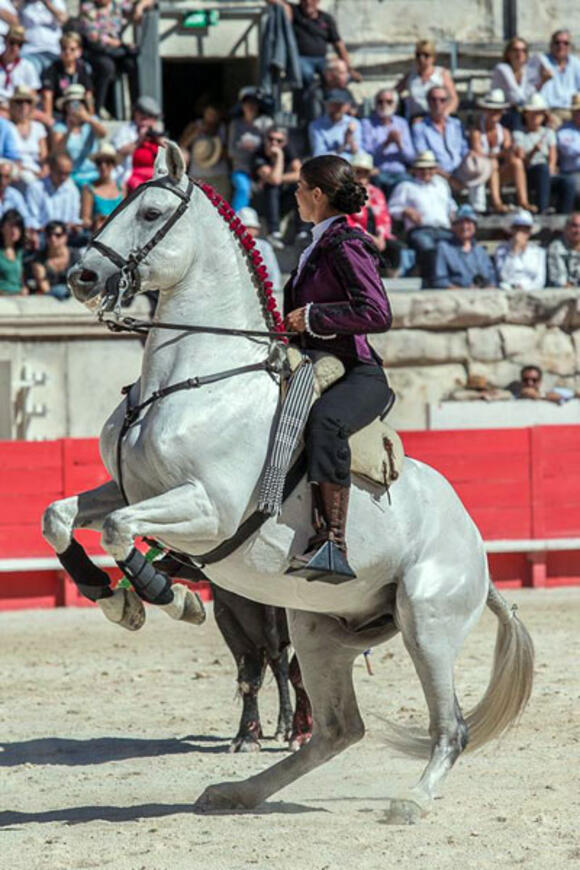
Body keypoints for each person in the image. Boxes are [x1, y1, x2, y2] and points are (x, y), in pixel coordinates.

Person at [283, 154, 392, 581]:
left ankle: (332, 542)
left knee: (326, 421)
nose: (293, 195)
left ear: (316, 194)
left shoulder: (346, 243)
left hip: (358, 372)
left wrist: (313, 317)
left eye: (298, 187)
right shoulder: (317, 243)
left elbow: (377, 312)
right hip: (318, 362)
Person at [388, 150, 456, 286]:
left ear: (435, 169)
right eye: (422, 169)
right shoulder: (406, 186)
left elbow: (451, 204)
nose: (426, 172)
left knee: (453, 247)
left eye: (430, 168)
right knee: (428, 247)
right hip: (420, 229)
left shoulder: (442, 184)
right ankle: (436, 282)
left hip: (444, 228)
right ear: (415, 170)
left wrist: (453, 213)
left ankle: (450, 281)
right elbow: (391, 209)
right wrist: (405, 211)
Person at [79, 0, 155, 114]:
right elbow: (93, 36)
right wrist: (118, 43)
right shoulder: (88, 7)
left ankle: (138, 109)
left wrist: (139, 7)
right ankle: (97, 109)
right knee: (106, 67)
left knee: (132, 64)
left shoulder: (117, 4)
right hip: (96, 50)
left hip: (115, 49)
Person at [266, 0, 361, 88]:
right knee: (305, 74)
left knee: (339, 75)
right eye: (305, 0)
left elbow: (339, 45)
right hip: (301, 58)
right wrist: (285, 8)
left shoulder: (326, 19)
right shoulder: (295, 12)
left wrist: (349, 68)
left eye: (311, 0)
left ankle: (332, 101)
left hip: (322, 60)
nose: (308, 3)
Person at [470, 88, 533, 213]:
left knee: (517, 163)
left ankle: (523, 201)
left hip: (498, 172)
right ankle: (496, 202)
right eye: (491, 111)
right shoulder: (476, 131)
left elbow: (507, 152)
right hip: (481, 173)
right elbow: (479, 155)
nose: (494, 114)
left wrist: (513, 150)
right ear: (485, 111)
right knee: (492, 164)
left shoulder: (504, 132)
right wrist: (502, 153)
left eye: (497, 111)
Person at [345, 150, 407, 276]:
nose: (361, 175)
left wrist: (381, 237)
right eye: (358, 172)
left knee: (395, 247)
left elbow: (385, 217)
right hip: (355, 233)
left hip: (377, 235)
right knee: (359, 245)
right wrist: (370, 237)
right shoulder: (345, 193)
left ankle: (390, 278)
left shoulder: (376, 192)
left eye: (365, 172)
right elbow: (346, 219)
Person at [513, 92, 576, 213]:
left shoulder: (548, 133)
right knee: (542, 169)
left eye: (539, 113)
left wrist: (551, 168)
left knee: (568, 182)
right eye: (532, 113)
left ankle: (564, 215)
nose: (536, 116)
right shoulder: (519, 134)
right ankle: (543, 209)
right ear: (526, 114)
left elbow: (553, 156)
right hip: (529, 173)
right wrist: (532, 152)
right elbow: (522, 161)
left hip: (545, 172)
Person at [253, 125, 301, 249]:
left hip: (282, 201)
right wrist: (279, 156)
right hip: (261, 202)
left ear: (284, 142)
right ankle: (273, 232)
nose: (274, 143)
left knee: (300, 187)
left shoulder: (288, 149)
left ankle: (302, 232)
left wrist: (281, 178)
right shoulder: (259, 154)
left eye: (279, 141)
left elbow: (301, 174)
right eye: (271, 139)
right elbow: (274, 180)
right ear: (265, 139)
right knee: (271, 187)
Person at [361, 88, 415, 196]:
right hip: (378, 171)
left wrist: (399, 145)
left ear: (395, 105)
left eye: (389, 101)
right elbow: (366, 155)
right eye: (380, 102)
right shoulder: (367, 123)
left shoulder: (402, 123)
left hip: (400, 172)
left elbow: (411, 158)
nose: (384, 105)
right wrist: (386, 143)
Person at [52, 84, 106, 189]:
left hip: (94, 173)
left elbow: (103, 134)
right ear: (65, 107)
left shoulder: (92, 121)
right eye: (71, 103)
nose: (75, 107)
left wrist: (89, 119)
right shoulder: (59, 126)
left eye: (78, 103)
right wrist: (69, 130)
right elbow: (57, 150)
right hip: (71, 176)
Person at [228, 87, 272, 212]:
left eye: (254, 103)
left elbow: (270, 148)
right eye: (247, 103)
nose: (250, 107)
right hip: (241, 169)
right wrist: (253, 151)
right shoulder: (235, 124)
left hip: (261, 170)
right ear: (242, 106)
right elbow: (232, 151)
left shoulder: (266, 123)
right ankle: (236, 221)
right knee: (243, 189)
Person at [412, 86, 469, 181]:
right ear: (428, 102)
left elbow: (464, 150)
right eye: (433, 100)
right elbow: (424, 157)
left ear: (447, 103)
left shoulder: (456, 124)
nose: (437, 103)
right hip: (436, 173)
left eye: (442, 100)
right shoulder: (419, 128)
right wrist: (449, 178)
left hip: (460, 170)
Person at [432, 204, 496, 289]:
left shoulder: (480, 251)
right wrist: (463, 291)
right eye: (460, 223)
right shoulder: (444, 248)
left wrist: (489, 287)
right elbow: (440, 281)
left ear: (474, 226)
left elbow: (492, 277)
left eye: (469, 222)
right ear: (454, 227)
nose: (465, 227)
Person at [395, 39, 458, 120]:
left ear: (433, 57)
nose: (421, 59)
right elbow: (394, 93)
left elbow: (453, 99)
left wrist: (445, 113)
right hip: (416, 117)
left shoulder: (441, 74)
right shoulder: (410, 76)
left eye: (426, 55)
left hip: (438, 116)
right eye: (418, 55)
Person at [41, 31, 94, 123]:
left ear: (79, 52)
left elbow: (88, 95)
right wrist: (49, 120)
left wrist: (91, 116)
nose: (67, 52)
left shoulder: (82, 69)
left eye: (72, 49)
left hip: (79, 112)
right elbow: (47, 96)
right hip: (59, 114)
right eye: (64, 49)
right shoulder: (52, 69)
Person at [490, 36, 545, 125]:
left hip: (520, 112)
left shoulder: (526, 71)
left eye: (523, 50)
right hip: (503, 113)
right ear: (508, 53)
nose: (520, 53)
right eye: (515, 50)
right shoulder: (502, 69)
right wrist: (541, 82)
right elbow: (516, 97)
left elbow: (529, 96)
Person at [179, 103, 229, 199]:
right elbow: (182, 145)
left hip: (219, 176)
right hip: (198, 175)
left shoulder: (224, 128)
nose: (212, 117)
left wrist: (215, 148)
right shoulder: (195, 126)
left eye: (214, 115)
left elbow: (229, 152)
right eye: (209, 114)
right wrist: (194, 133)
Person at [110, 95, 162, 185]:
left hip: (155, 176)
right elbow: (119, 154)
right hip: (131, 176)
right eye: (142, 115)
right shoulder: (125, 130)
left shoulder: (156, 132)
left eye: (150, 117)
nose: (145, 119)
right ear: (135, 113)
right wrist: (139, 140)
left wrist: (158, 139)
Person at [26, 153, 81, 234]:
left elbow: (74, 218)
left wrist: (76, 226)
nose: (63, 177)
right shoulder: (36, 188)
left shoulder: (73, 190)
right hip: (43, 236)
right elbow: (32, 219)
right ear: (51, 168)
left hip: (65, 236)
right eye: (60, 173)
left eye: (67, 173)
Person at [494, 209, 546, 290]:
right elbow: (503, 276)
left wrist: (525, 288)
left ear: (529, 232)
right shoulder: (501, 251)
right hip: (508, 290)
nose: (520, 232)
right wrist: (514, 252)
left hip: (531, 291)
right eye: (517, 229)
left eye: (525, 229)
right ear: (512, 230)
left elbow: (540, 280)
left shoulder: (539, 252)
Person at [28, 218, 78, 299]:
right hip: (49, 300)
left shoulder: (75, 255)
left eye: (58, 235)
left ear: (65, 236)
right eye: (49, 235)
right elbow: (45, 289)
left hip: (74, 298)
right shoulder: (39, 259)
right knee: (59, 291)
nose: (53, 238)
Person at [236, 206, 282, 293]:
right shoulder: (233, 245)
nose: (248, 231)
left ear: (257, 230)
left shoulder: (264, 246)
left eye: (251, 227)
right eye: (245, 227)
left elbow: (272, 270)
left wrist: (273, 288)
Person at [9, 85, 47, 187]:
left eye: (27, 102)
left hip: (37, 170)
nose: (23, 106)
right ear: (12, 106)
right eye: (19, 102)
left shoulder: (38, 127)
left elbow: (44, 156)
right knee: (28, 180)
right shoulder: (7, 127)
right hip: (17, 169)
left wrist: (45, 169)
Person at [308, 88, 361, 159]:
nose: (337, 108)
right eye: (333, 104)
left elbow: (358, 153)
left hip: (352, 166)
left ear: (347, 106)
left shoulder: (354, 123)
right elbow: (318, 155)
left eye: (340, 105)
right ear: (326, 104)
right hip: (329, 167)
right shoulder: (316, 126)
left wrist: (350, 138)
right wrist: (343, 145)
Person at [80, 142, 124, 229]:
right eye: (99, 163)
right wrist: (96, 220)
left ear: (113, 165)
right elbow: (85, 219)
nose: (103, 166)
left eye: (107, 162)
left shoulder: (122, 187)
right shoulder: (88, 189)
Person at [19, 0, 68, 75]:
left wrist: (47, 3)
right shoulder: (25, 4)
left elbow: (63, 18)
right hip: (30, 51)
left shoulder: (55, 1)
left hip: (53, 50)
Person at [538, 29, 580, 109]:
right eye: (557, 43)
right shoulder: (542, 62)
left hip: (572, 110)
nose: (561, 46)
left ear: (570, 46)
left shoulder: (576, 63)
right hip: (548, 110)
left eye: (565, 43)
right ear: (551, 45)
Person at [0, 24, 41, 100]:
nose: (15, 47)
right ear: (5, 41)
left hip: (18, 106)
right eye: (12, 42)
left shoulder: (27, 66)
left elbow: (33, 92)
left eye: (19, 44)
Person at [557, 93, 580, 204]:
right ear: (572, 113)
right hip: (572, 174)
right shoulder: (564, 130)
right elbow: (569, 150)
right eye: (578, 112)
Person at [547, 211, 580, 286]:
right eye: (574, 226)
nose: (578, 231)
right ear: (566, 228)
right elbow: (559, 279)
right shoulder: (556, 247)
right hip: (564, 294)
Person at [0, 207, 25, 294]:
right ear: (2, 228)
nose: (14, 230)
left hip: (19, 299)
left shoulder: (21, 253)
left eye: (18, 227)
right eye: (11, 226)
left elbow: (22, 281)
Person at [0, 158, 29, 224]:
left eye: (6, 177)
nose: (2, 180)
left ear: (11, 178)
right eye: (0, 176)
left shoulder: (15, 195)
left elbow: (25, 218)